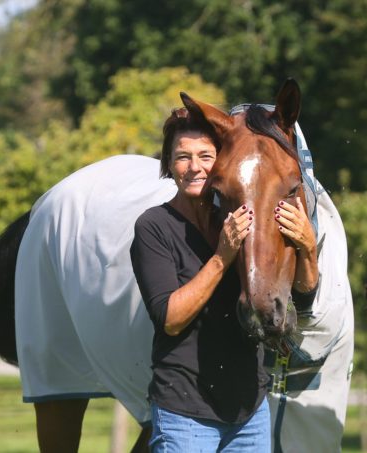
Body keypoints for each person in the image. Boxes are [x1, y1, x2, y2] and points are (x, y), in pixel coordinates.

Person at [130, 107, 319, 452]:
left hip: (249, 413)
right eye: (182, 157)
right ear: (168, 165)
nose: (194, 166)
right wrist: (222, 257)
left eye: (205, 155)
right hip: (185, 412)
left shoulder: (237, 218)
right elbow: (170, 320)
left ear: (220, 161)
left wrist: (308, 248)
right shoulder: (153, 227)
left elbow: (303, 298)